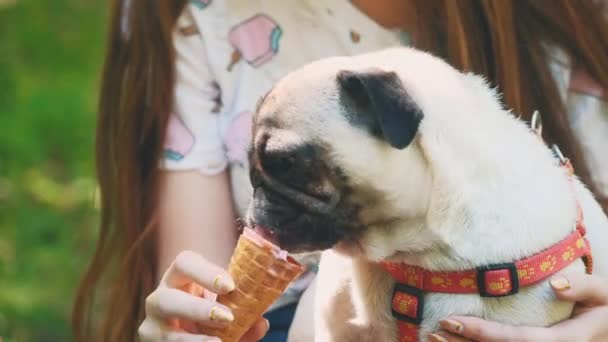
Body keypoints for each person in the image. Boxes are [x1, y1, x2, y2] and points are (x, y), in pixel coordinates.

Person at [72, 0, 608, 341]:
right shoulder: (203, 20)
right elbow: (208, 293)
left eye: (290, 166)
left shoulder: (577, 20)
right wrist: (189, 327)